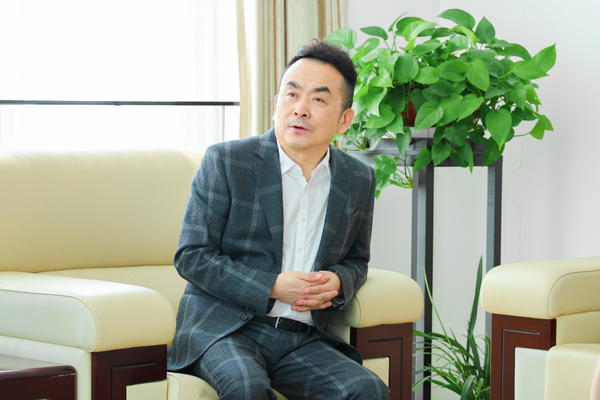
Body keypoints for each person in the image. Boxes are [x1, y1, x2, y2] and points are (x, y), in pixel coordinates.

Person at [167, 38, 389, 400]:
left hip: (301, 338)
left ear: (344, 120)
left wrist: (338, 281)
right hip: (226, 330)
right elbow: (191, 256)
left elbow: (357, 260)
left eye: (318, 100)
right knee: (247, 388)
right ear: (276, 104)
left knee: (367, 390)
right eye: (292, 94)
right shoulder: (227, 162)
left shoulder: (358, 178)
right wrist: (271, 286)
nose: (300, 109)